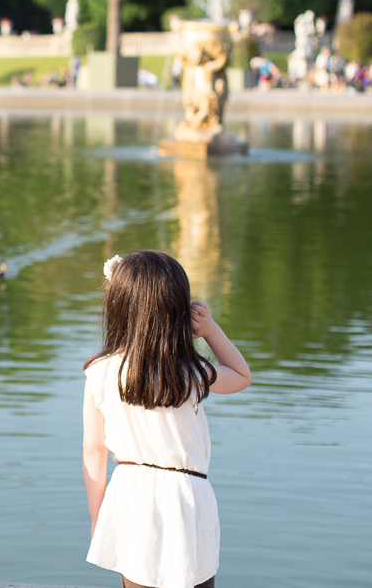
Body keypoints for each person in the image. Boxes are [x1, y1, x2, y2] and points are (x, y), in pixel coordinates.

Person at [83, 251, 252, 588]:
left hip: (130, 494)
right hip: (186, 495)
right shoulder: (189, 372)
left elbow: (93, 451)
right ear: (176, 312)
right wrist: (210, 330)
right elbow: (240, 375)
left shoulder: (99, 373)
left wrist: (97, 516)